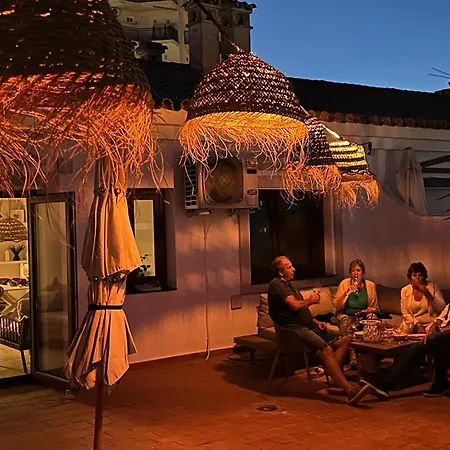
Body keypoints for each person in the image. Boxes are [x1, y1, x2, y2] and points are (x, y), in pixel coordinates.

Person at [267, 256, 377, 406]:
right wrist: (311, 300)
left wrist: (316, 321)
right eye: (289, 267)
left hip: (308, 326)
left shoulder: (290, 285)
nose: (294, 269)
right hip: (293, 330)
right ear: (280, 272)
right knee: (326, 350)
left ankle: (336, 379)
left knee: (345, 339)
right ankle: (349, 390)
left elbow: (300, 311)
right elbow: (294, 305)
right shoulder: (276, 284)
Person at [361, 301, 450, 399]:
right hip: (443, 332)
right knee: (427, 344)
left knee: (427, 342)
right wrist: (434, 325)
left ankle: (386, 382)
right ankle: (441, 382)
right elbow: (443, 315)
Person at [334, 259, 378, 365]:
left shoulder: (370, 285)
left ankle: (372, 355)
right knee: (346, 322)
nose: (356, 273)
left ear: (363, 272)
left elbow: (375, 307)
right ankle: (352, 354)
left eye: (358, 270)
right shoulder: (344, 284)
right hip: (346, 314)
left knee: (373, 319)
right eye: (353, 271)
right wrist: (347, 293)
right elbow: (336, 305)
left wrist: (368, 311)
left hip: (363, 314)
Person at [399, 262, 445, 334]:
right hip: (414, 323)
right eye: (414, 275)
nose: (418, 278)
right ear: (410, 278)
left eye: (420, 275)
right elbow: (405, 313)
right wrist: (417, 324)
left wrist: (428, 295)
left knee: (434, 332)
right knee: (406, 328)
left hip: (431, 323)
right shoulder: (405, 290)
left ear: (424, 276)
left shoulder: (433, 287)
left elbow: (441, 308)